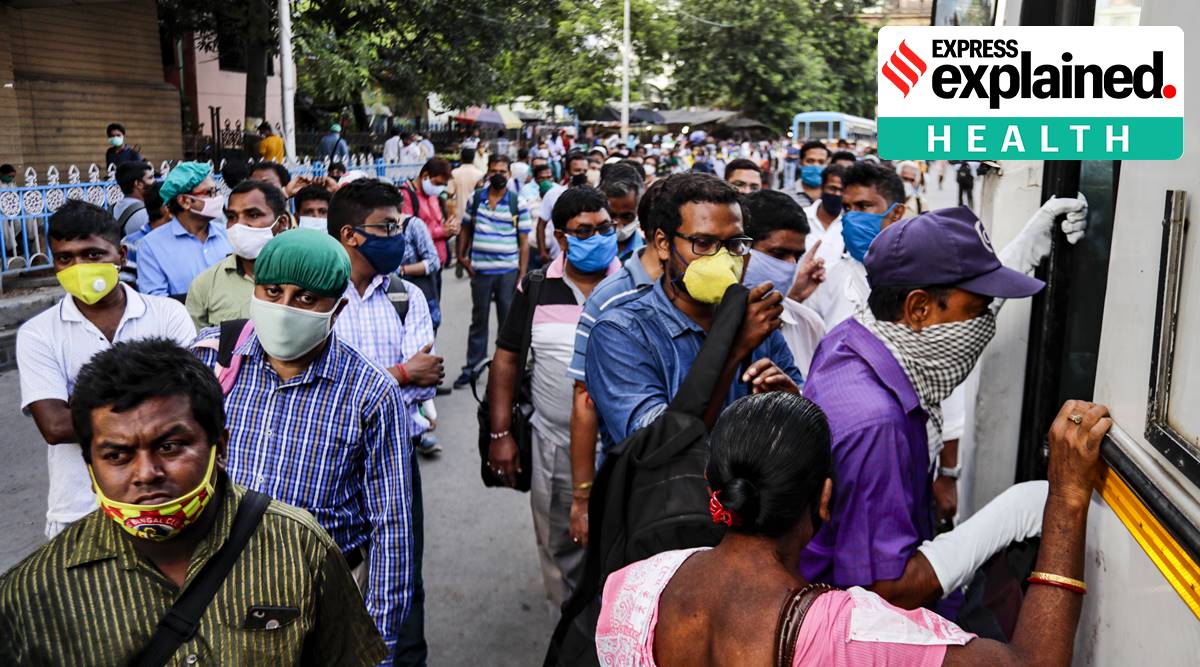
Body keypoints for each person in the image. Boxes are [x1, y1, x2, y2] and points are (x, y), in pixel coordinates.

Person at [596, 392, 1113, 667]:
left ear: (716, 485)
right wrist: (1066, 499)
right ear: (825, 498)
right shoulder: (854, 635)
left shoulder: (631, 589)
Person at [1, 339, 389, 665]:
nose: (146, 473)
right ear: (90, 465)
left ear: (220, 447)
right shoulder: (32, 594)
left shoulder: (301, 548)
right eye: (117, 455)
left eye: (170, 446)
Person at [798, 208, 1054, 609]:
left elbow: (951, 316)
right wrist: (1006, 519)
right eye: (978, 310)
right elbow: (884, 591)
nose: (983, 324)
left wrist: (1021, 253)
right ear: (917, 309)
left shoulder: (854, 338)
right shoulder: (878, 425)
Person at [190, 229, 414, 658]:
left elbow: (392, 526)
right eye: (273, 292)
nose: (285, 308)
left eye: (307, 298)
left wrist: (377, 644)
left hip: (320, 592)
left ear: (338, 308)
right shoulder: (209, 360)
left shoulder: (370, 392)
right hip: (215, 584)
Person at [17, 200, 195, 539]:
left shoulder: (167, 314)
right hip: (81, 508)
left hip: (167, 499)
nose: (78, 266)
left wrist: (89, 412)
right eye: (65, 258)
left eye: (92, 254)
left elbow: (190, 402)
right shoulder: (38, 333)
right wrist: (156, 404)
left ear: (122, 255)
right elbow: (55, 426)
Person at [585, 173, 802, 449]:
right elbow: (656, 448)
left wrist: (789, 401)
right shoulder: (622, 333)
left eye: (734, 244)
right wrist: (733, 349)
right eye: (703, 243)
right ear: (664, 244)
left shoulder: (755, 318)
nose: (722, 259)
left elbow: (802, 410)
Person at [488, 187, 622, 615]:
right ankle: (568, 629)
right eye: (586, 231)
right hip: (553, 443)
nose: (599, 237)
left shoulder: (635, 285)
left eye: (605, 228)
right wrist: (501, 433)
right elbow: (507, 360)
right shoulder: (537, 287)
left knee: (619, 543)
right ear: (562, 239)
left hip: (623, 448)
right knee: (560, 542)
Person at [326, 179, 443, 665]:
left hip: (397, 460)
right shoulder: (317, 297)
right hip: (330, 460)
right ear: (351, 235)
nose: (398, 235)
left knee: (400, 573)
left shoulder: (406, 297)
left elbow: (425, 381)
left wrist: (388, 382)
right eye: (388, 227)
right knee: (329, 574)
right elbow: (318, 387)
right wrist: (396, 373)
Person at [453, 155, 531, 388]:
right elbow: (466, 228)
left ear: (509, 175)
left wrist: (522, 274)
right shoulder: (477, 199)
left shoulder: (518, 202)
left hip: (507, 271)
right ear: (487, 172)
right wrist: (461, 256)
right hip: (481, 272)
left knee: (507, 322)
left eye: (503, 171)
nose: (498, 175)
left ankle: (506, 370)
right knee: (479, 321)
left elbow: (524, 242)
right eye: (494, 170)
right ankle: (472, 368)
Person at [741, 189, 826, 374]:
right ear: (741, 248)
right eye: (778, 254)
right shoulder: (704, 322)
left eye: (797, 256)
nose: (790, 266)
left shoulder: (810, 326)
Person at [185, 180, 289, 329]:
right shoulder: (205, 285)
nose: (238, 225)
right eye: (232, 217)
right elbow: (197, 347)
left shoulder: (304, 276)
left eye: (253, 215)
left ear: (282, 222)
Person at [136, 161, 233, 299]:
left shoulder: (228, 234)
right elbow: (157, 302)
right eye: (210, 192)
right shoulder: (151, 246)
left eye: (216, 191)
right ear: (184, 201)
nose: (217, 198)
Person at [534, 151, 590, 266]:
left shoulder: (593, 196)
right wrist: (542, 251)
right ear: (567, 173)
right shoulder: (553, 194)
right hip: (557, 258)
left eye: (584, 171)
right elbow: (541, 225)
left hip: (585, 259)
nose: (581, 174)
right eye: (577, 170)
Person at [599, 161, 646, 261]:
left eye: (627, 217)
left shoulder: (648, 253)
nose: (618, 224)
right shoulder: (588, 249)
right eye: (611, 216)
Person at [801, 164, 846, 257]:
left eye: (842, 190)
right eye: (833, 188)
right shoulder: (801, 216)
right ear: (822, 187)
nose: (837, 194)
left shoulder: (849, 225)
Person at [112, 161, 154, 236]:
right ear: (138, 184)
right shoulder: (146, 214)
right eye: (150, 178)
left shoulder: (112, 209)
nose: (155, 181)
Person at [448, 147, 483, 230]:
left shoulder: (454, 173)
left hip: (458, 213)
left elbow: (450, 193)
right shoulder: (480, 174)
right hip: (474, 213)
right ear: (473, 159)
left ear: (461, 158)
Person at [791, 140, 830, 207]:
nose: (816, 166)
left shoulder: (834, 196)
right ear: (800, 163)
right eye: (810, 161)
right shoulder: (784, 196)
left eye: (821, 162)